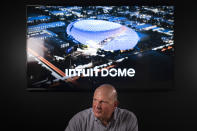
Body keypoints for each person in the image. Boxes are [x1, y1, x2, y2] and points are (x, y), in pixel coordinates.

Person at [65, 84, 138, 131]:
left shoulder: (129, 118)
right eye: (95, 100)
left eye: (103, 102)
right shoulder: (79, 120)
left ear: (115, 105)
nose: (97, 106)